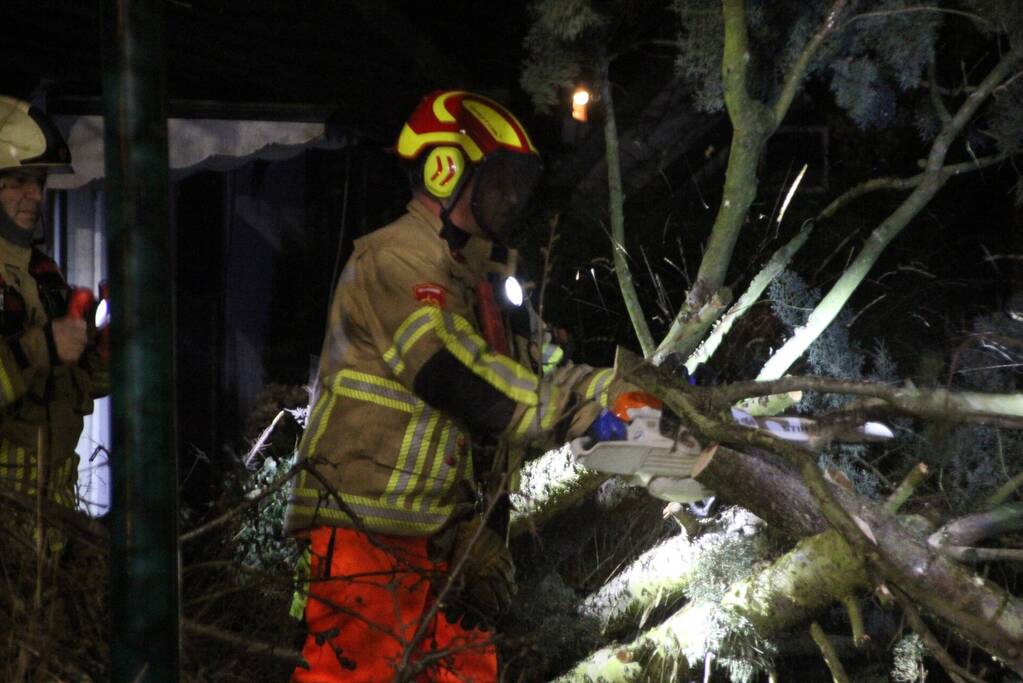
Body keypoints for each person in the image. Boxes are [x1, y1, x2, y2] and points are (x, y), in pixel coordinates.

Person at [286, 90, 634, 682]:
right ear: (445, 169)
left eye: (518, 181)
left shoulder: (479, 279)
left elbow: (534, 372)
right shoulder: (396, 259)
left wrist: (620, 392)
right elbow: (455, 372)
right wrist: (575, 404)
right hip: (364, 527)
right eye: (498, 179)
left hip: (444, 531)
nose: (512, 196)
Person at [0, 96, 108, 520]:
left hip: (56, 508)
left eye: (39, 181)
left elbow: (74, 391)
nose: (34, 194)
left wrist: (102, 353)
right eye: (19, 180)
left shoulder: (44, 274)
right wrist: (42, 345)